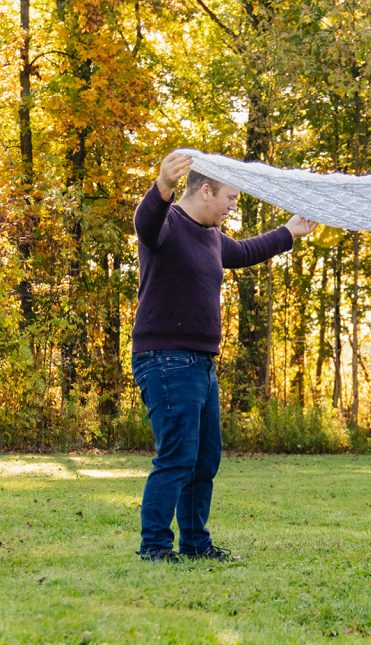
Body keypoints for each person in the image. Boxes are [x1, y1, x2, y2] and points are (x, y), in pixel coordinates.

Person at [132, 152, 317, 562]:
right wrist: (163, 185)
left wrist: (290, 231)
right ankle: (155, 547)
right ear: (205, 190)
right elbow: (145, 221)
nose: (234, 205)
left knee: (204, 459)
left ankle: (196, 545)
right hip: (165, 358)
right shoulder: (167, 225)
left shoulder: (211, 236)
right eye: (230, 198)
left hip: (201, 361)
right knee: (177, 456)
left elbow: (247, 251)